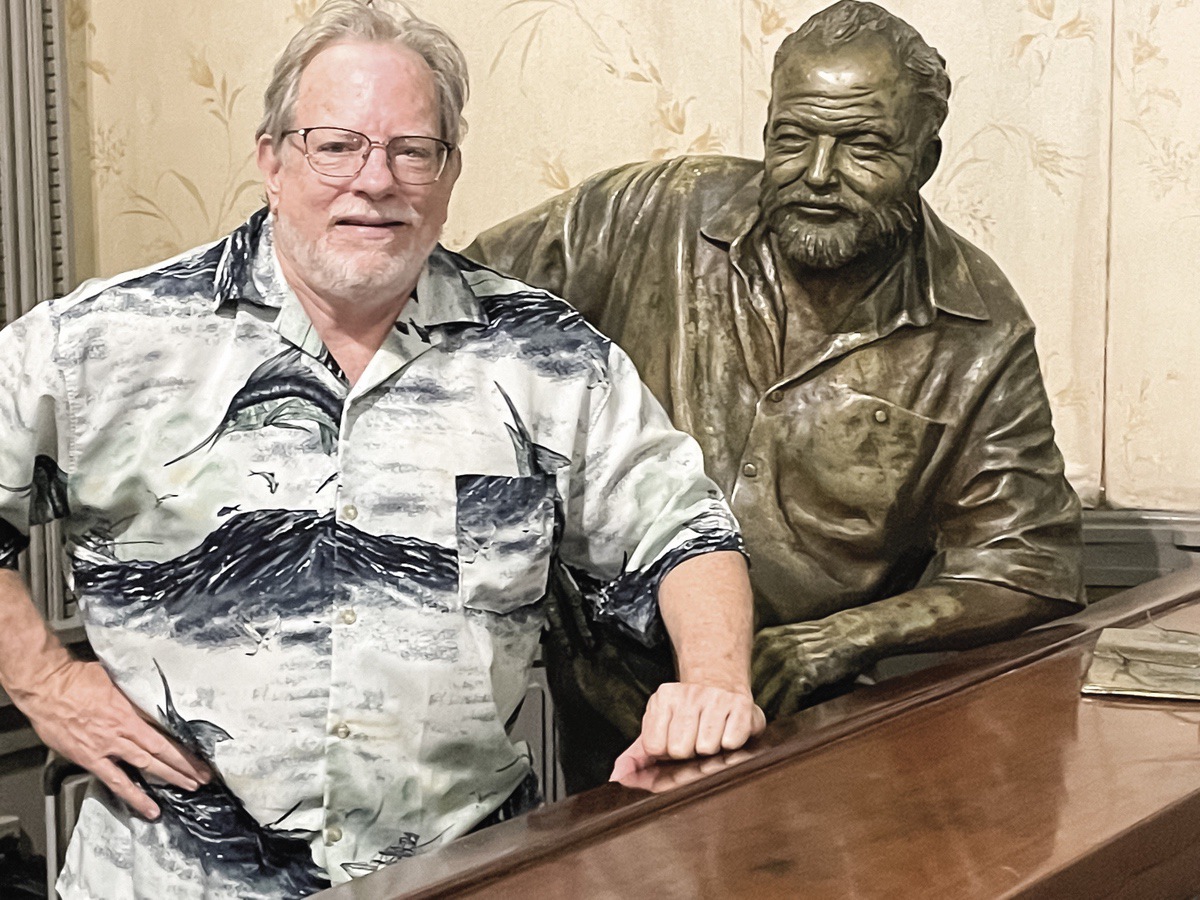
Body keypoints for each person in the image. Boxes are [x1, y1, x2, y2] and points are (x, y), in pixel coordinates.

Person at [0, 2, 764, 896]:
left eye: (412, 150)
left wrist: (711, 682)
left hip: (462, 868)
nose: (376, 180)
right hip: (169, 877)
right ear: (271, 159)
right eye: (336, 145)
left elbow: (683, 530)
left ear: (448, 172)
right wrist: (42, 678)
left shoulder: (547, 358)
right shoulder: (108, 341)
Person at [467, 0, 1084, 788]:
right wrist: (516, 531)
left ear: (925, 160)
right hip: (593, 690)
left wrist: (841, 639)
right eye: (794, 138)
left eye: (863, 146)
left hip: (800, 730)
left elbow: (1031, 564)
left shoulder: (977, 331)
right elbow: (459, 320)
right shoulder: (648, 212)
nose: (819, 175)